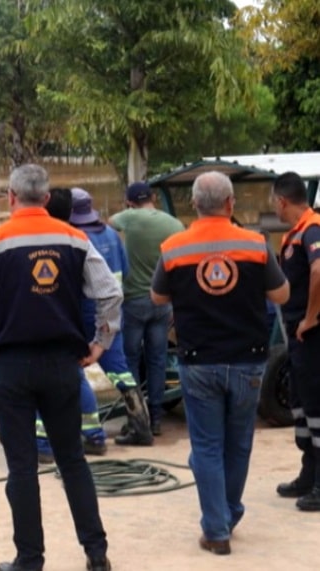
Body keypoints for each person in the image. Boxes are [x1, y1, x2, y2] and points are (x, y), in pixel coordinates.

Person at [0, 164, 120, 571]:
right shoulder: (75, 238)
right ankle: (96, 553)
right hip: (62, 365)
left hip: (11, 367)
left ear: (12, 198)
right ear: (47, 199)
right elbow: (110, 293)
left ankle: (29, 560)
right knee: (72, 460)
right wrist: (100, 343)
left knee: (22, 468)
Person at [151, 171, 289, 555]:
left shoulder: (174, 247)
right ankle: (228, 513)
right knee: (238, 443)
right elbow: (280, 293)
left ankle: (217, 529)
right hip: (248, 361)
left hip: (198, 361)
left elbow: (158, 299)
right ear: (231, 205)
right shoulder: (257, 245)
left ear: (193, 204)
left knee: (207, 447)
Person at [71, 188, 153, 446]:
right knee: (119, 370)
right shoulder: (111, 234)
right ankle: (142, 426)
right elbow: (125, 272)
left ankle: (92, 433)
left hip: (85, 310)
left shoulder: (77, 238)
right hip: (113, 312)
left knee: (75, 368)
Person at [35, 187, 110, 462]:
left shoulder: (32, 240)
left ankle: (43, 444)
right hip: (73, 328)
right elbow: (110, 291)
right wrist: (101, 340)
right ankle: (95, 435)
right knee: (77, 380)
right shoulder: (79, 242)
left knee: (38, 384)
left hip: (40, 330)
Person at [108, 182, 184, 436]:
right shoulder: (174, 224)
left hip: (133, 301)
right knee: (157, 360)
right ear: (153, 197)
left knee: (129, 359)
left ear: (130, 201)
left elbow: (108, 224)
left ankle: (136, 418)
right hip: (162, 302)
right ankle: (156, 419)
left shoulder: (128, 217)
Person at [271, 171, 320, 511]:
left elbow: (319, 270)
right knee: (301, 405)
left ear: (281, 200)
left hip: (311, 333)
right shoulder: (296, 232)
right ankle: (308, 473)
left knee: (316, 406)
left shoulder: (312, 228)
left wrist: (311, 316)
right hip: (297, 333)